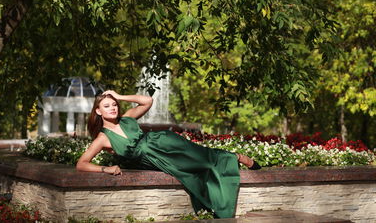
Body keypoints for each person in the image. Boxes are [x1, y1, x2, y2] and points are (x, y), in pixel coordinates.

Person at [76, 90, 261, 218]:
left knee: (203, 157)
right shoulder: (102, 138)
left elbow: (148, 101)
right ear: (98, 111)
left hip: (165, 141)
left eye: (114, 104)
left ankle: (235, 157)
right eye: (107, 106)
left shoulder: (128, 118)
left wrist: (120, 96)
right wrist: (105, 169)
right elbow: (81, 163)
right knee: (196, 172)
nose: (113, 108)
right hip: (158, 159)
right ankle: (233, 160)